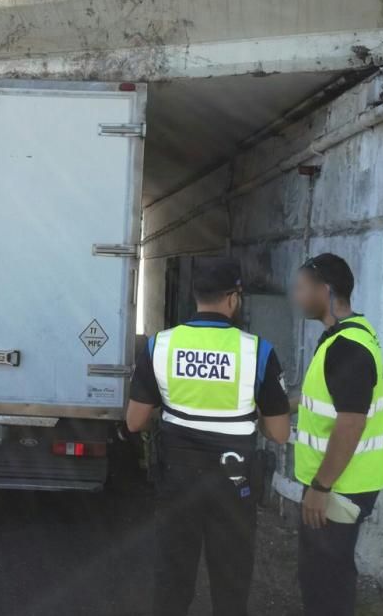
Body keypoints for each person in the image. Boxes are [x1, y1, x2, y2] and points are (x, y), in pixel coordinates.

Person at [127, 257, 291, 616]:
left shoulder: (159, 346)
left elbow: (135, 421)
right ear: (234, 298)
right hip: (234, 484)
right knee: (231, 584)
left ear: (194, 295)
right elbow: (279, 433)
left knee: (172, 579)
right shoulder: (258, 351)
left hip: (177, 481)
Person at [292, 254, 383, 616]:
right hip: (342, 482)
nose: (297, 296)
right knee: (325, 573)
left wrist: (319, 489)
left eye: (302, 288)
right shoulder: (347, 335)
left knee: (325, 580)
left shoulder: (347, 347)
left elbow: (351, 423)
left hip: (340, 487)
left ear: (326, 290)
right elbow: (326, 400)